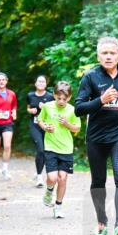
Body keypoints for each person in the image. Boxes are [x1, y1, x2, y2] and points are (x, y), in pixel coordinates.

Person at [75, 37, 118, 235]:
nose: (109, 56)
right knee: (98, 181)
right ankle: (102, 223)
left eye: (112, 53)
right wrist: (100, 100)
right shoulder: (90, 77)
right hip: (95, 137)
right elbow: (78, 109)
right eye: (104, 53)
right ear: (98, 56)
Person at [38, 81, 81, 218]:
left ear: (69, 97)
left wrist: (67, 124)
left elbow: (77, 128)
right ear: (54, 95)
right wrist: (45, 127)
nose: (61, 101)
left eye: (64, 99)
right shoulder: (47, 107)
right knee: (52, 177)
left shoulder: (72, 110)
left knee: (62, 178)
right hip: (50, 147)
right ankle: (49, 191)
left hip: (66, 149)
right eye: (58, 98)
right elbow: (40, 120)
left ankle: (58, 206)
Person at [26, 75, 55, 188]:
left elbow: (55, 110)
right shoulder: (30, 95)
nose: (41, 83)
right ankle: (39, 176)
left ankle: (40, 171)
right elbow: (28, 108)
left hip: (47, 125)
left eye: (43, 82)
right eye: (39, 81)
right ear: (36, 83)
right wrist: (30, 110)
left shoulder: (50, 96)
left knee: (46, 151)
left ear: (46, 84)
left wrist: (46, 107)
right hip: (35, 124)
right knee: (41, 150)